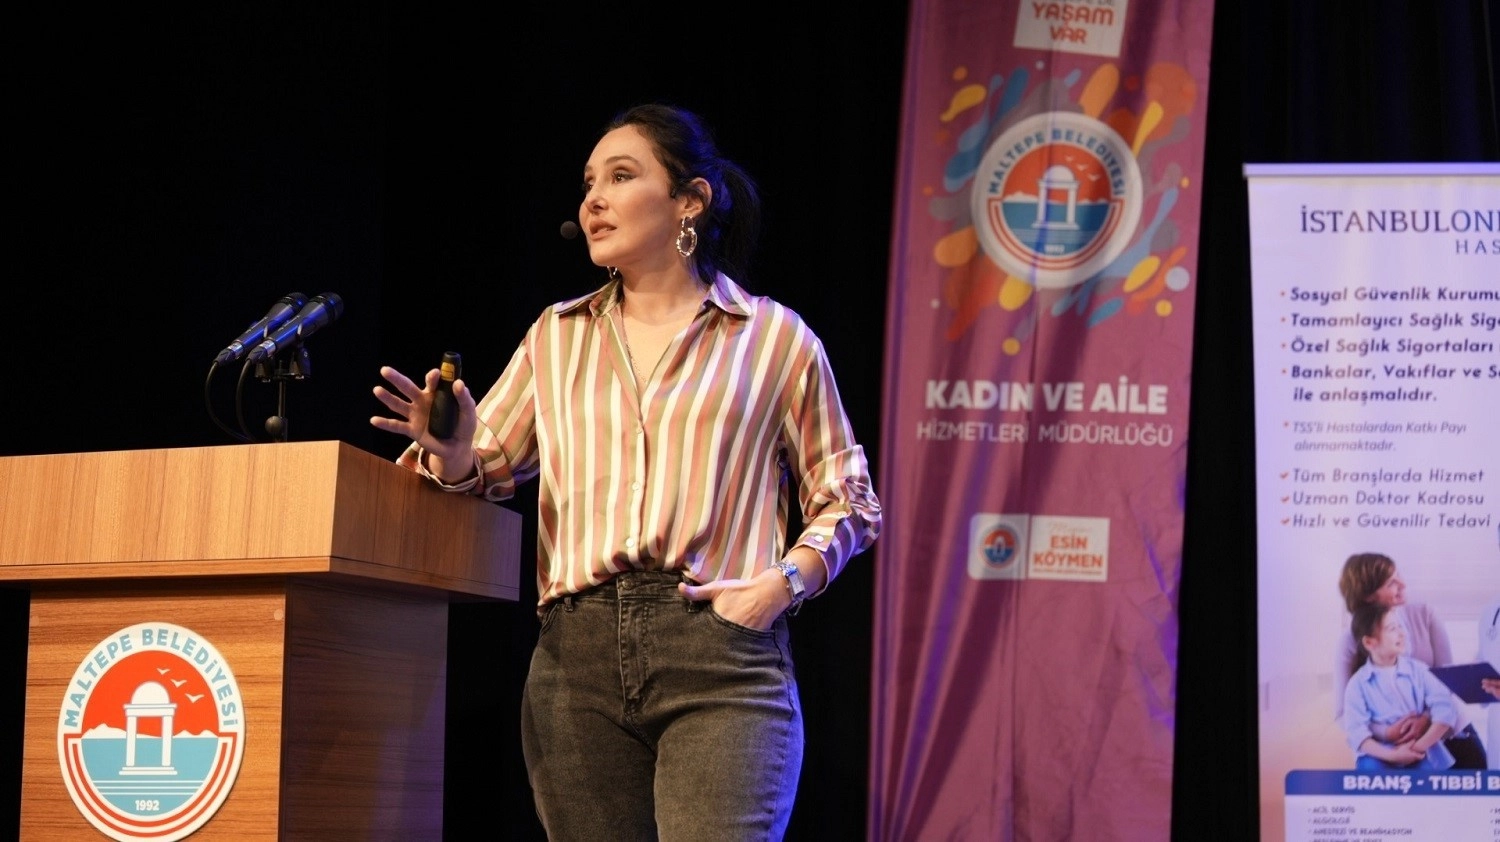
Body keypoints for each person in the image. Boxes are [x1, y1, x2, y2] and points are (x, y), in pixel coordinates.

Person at [370, 103, 882, 840]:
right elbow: (483, 469)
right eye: (588, 184)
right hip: (574, 663)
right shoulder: (556, 336)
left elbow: (849, 500)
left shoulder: (774, 338)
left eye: (620, 176)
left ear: (690, 200)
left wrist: (780, 586)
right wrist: (449, 451)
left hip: (720, 653)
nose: (593, 201)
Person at [1330, 551, 1487, 767]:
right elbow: (1343, 714)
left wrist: (1426, 719)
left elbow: (1447, 681)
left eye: (1399, 575)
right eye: (1391, 583)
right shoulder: (1349, 641)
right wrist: (1386, 732)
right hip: (1389, 748)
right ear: (1368, 596)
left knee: (1478, 780)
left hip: (1447, 731)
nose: (1403, 584)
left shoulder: (1425, 614)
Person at [1342, 600, 1460, 770]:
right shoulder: (1357, 684)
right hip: (1379, 754)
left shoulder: (1420, 671)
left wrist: (1417, 747)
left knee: (1428, 774)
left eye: (1400, 626)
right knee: (1370, 771)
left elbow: (1446, 710)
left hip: (1422, 749)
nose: (1402, 633)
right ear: (1369, 643)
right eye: (1392, 629)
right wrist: (1393, 755)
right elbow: (1356, 733)